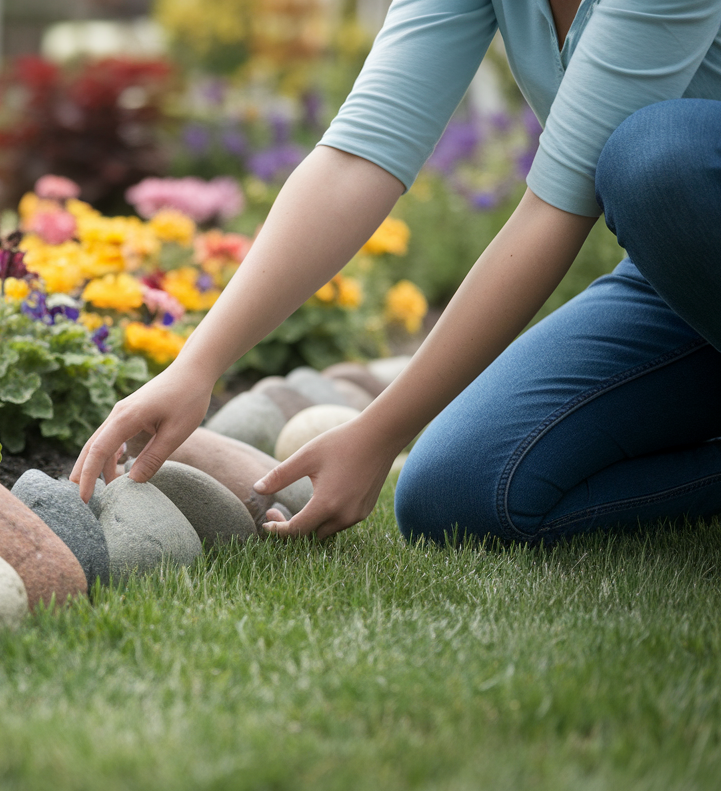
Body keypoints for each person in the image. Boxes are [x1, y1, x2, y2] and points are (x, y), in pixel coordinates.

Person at [71, 0, 721, 545]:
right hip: (684, 282)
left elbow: (556, 209)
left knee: (655, 160)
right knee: (461, 491)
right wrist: (197, 365)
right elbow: (361, 153)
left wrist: (380, 430)